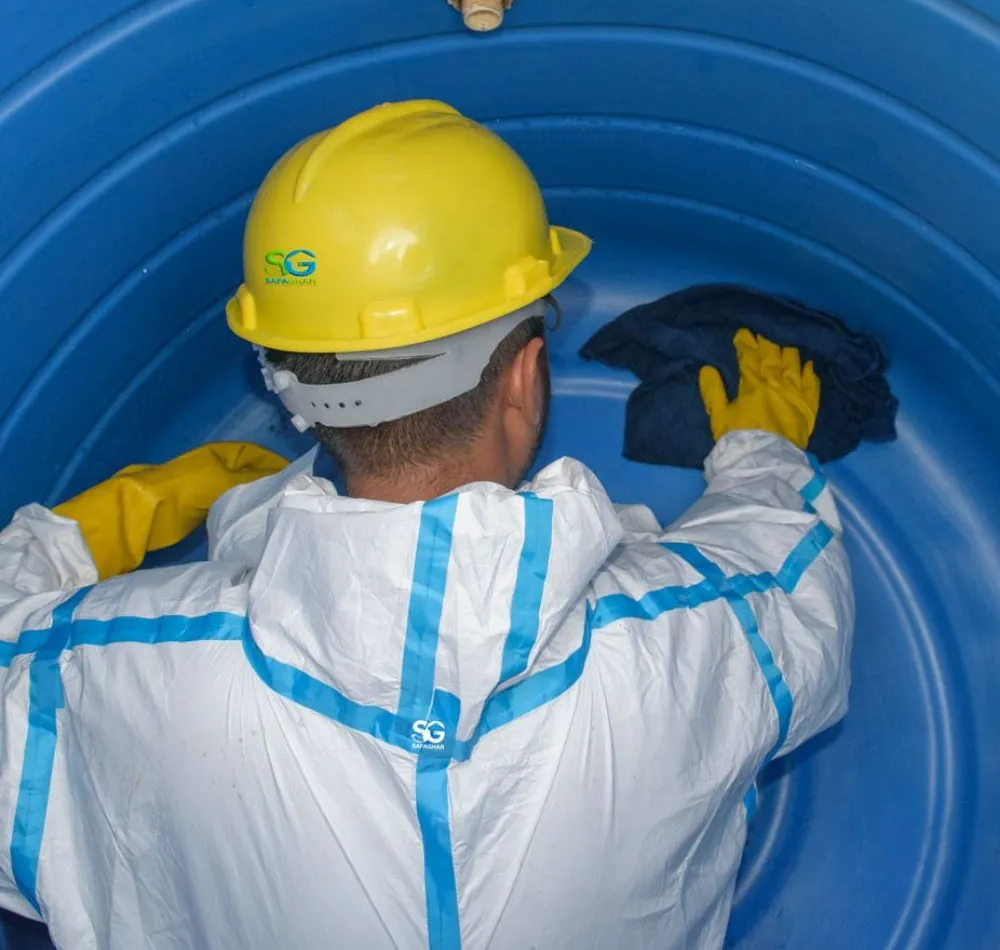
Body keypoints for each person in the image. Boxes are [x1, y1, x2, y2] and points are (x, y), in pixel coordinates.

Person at [0, 101, 853, 950]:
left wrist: (126, 511)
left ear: (291, 388)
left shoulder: (113, 670)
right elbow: (789, 567)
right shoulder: (696, 638)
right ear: (524, 374)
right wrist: (763, 449)